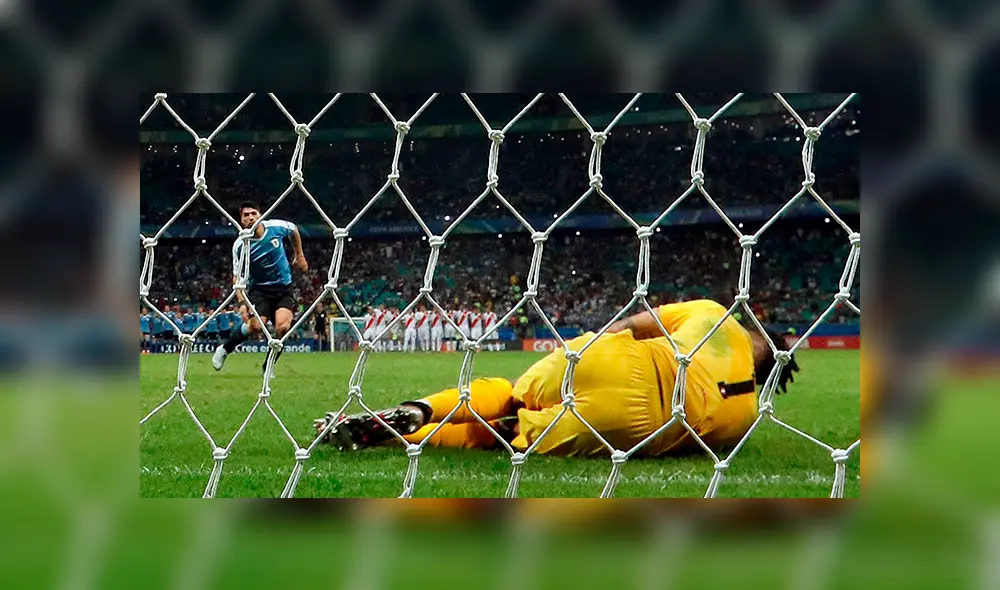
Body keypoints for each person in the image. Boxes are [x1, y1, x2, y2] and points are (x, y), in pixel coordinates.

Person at [313, 299, 800, 457]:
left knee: (508, 395)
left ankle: (420, 408)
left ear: (758, 330)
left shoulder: (717, 314)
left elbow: (633, 324)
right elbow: (694, 446)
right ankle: (407, 436)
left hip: (619, 361)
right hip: (633, 424)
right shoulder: (747, 416)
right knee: (502, 435)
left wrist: (588, 349)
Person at [212, 201, 307, 376]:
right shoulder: (240, 246)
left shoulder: (276, 227)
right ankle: (225, 349)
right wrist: (241, 302)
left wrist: (299, 255)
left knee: (283, 327)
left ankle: (268, 366)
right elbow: (237, 277)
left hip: (284, 288)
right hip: (260, 290)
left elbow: (293, 229)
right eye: (245, 215)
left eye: (253, 213)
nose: (250, 217)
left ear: (260, 215)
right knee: (256, 326)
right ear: (241, 221)